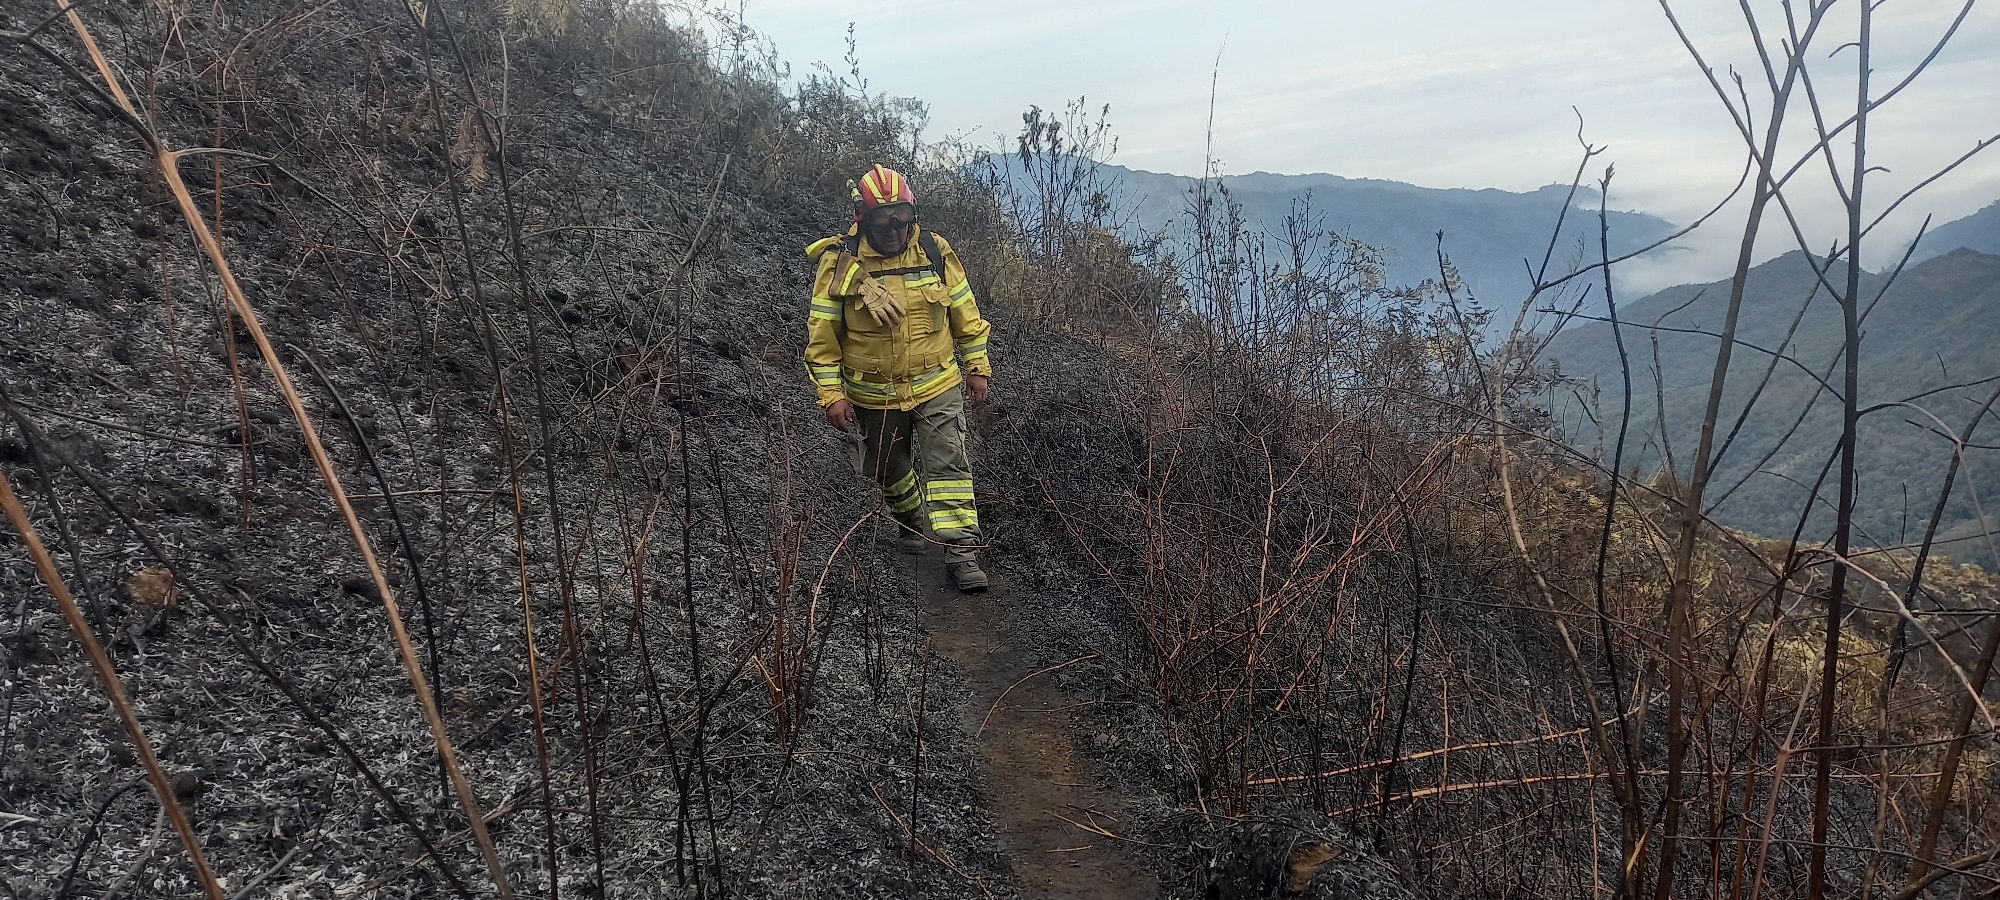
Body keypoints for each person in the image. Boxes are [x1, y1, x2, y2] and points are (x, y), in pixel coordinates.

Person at [803, 164, 993, 592]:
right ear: (862, 218)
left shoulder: (933, 250)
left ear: (913, 214)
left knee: (949, 466)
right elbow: (822, 337)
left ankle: (961, 554)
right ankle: (910, 519)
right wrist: (831, 393)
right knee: (890, 468)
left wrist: (977, 366)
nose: (894, 230)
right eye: (882, 220)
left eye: (902, 217)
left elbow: (964, 310)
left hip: (937, 382)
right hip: (874, 394)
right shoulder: (839, 266)